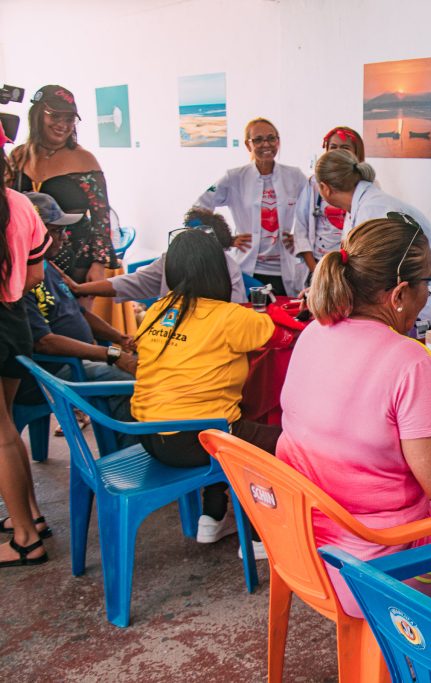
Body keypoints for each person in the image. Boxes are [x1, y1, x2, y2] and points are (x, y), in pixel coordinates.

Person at [278, 213, 431, 617]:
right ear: (398, 294)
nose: (429, 297)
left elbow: (383, 403)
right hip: (374, 567)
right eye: (427, 283)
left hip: (304, 546)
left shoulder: (314, 334)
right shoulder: (410, 360)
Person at [130, 229, 296, 558]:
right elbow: (282, 339)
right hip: (198, 439)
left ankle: (213, 515)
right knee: (285, 444)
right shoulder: (229, 316)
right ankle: (261, 536)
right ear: (218, 269)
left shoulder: (158, 310)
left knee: (223, 423)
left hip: (149, 436)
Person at [12, 193, 137, 447]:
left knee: (135, 365)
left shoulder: (48, 268)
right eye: (56, 231)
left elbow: (78, 313)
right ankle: (127, 462)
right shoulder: (21, 281)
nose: (62, 237)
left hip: (80, 361)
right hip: (54, 372)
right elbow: (45, 342)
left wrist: (120, 338)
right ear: (33, 231)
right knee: (134, 385)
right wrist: (113, 354)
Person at [314, 149, 431, 328]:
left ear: (325, 187)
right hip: (420, 299)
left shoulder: (373, 211)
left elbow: (374, 276)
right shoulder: (363, 207)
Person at [0, 131, 51, 568]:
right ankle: (31, 515)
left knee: (0, 436)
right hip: (14, 319)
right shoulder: (22, 204)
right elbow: (35, 276)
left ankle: (23, 539)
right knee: (7, 432)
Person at [7, 85, 117, 285]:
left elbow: (101, 218)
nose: (63, 125)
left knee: (71, 315)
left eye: (69, 119)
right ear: (38, 115)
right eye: (55, 116)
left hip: (76, 258)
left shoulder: (85, 160)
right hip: (27, 256)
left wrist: (99, 264)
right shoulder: (18, 156)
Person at [194, 118, 306, 296]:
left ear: (278, 141)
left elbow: (313, 211)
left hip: (285, 269)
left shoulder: (295, 176)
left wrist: (301, 238)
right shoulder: (234, 177)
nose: (266, 144)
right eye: (258, 139)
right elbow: (199, 208)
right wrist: (225, 240)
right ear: (248, 145)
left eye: (271, 138)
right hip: (247, 270)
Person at [66, 207, 247, 304]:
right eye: (188, 233)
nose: (191, 242)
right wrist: (81, 289)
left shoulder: (228, 268)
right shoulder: (172, 258)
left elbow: (237, 313)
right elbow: (133, 282)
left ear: (217, 243)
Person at [288, 127, 366, 278]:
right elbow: (301, 229)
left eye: (345, 148)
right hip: (317, 267)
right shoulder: (313, 184)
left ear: (357, 153)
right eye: (333, 147)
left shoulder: (367, 187)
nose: (337, 152)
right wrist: (315, 269)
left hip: (350, 272)